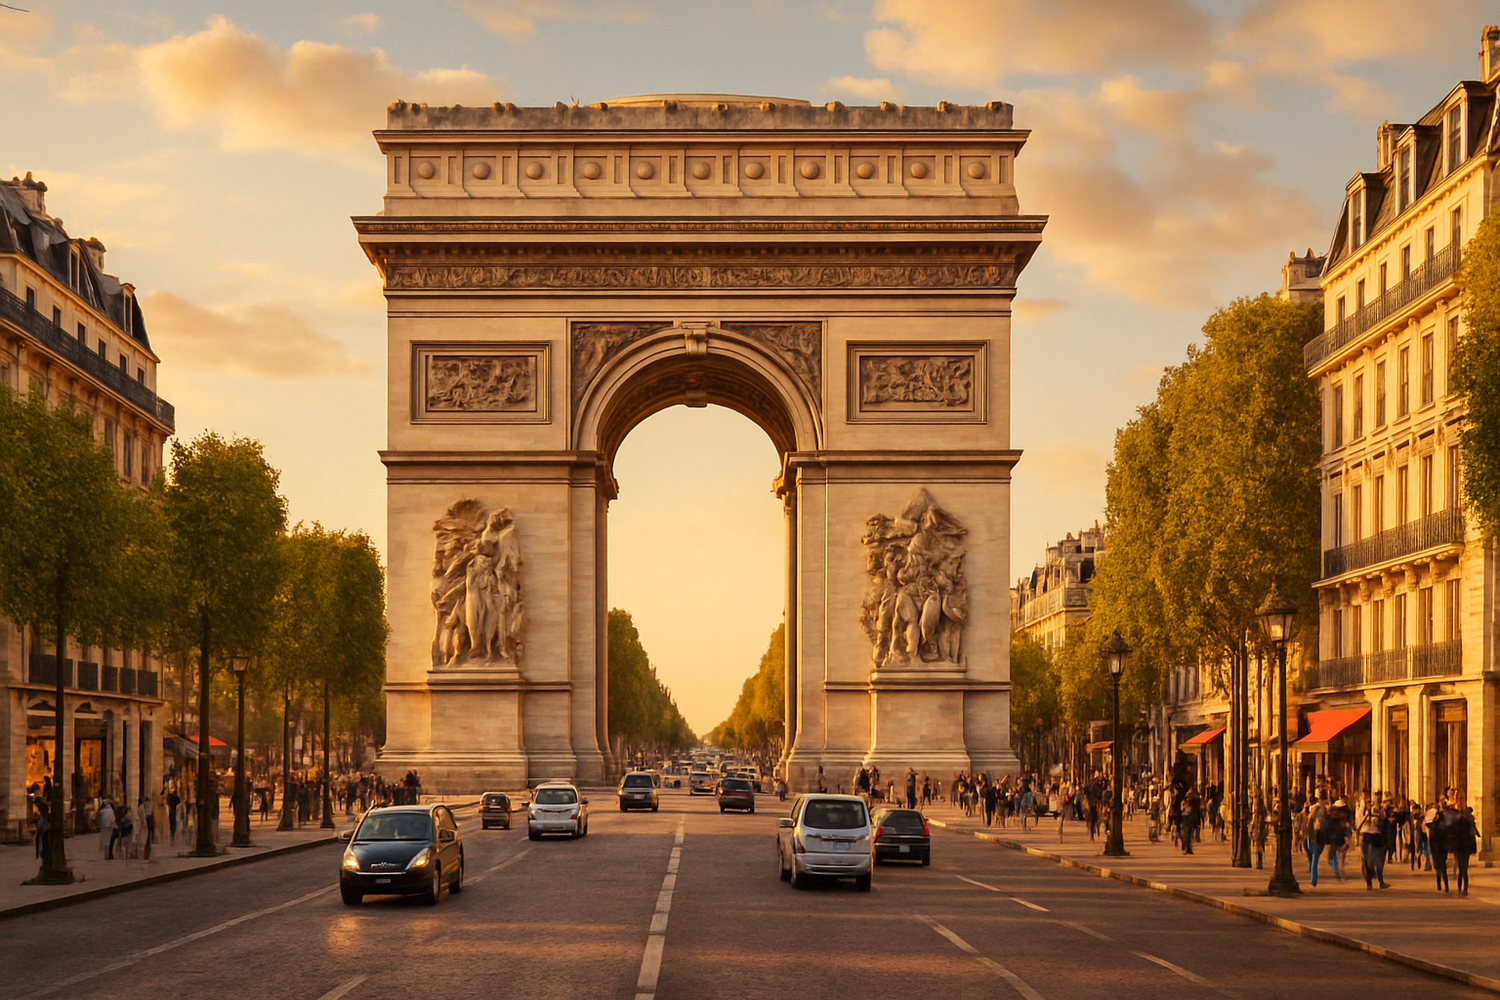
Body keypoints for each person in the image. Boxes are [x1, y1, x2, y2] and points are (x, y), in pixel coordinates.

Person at [1355, 794, 1389, 889]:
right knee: (1367, 860)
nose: (1371, 804)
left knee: (1378, 859)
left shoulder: (1378, 812)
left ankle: (1380, 881)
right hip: (1368, 835)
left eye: (1372, 802)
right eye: (1369, 802)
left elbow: (1384, 820)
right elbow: (1359, 824)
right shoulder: (1362, 812)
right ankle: (1370, 883)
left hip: (1375, 835)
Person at [1454, 804, 1478, 896]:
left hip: (1460, 848)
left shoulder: (1459, 827)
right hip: (1467, 848)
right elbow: (1476, 834)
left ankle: (1461, 888)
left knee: (1461, 869)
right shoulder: (1470, 825)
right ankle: (1464, 889)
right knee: (1464, 869)